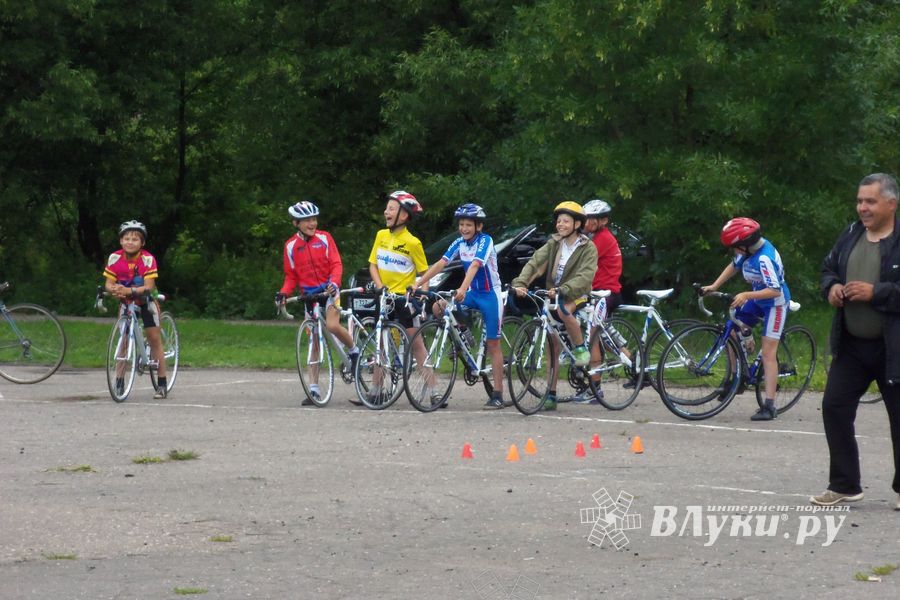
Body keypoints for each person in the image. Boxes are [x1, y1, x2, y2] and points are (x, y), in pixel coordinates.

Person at [811, 172, 900, 509]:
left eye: (870, 201)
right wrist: (832, 287)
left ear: (891, 204)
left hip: (893, 347)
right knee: (834, 407)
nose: (862, 207)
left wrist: (876, 292)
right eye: (860, 201)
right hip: (852, 345)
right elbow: (827, 269)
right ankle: (845, 484)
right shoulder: (850, 234)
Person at [416, 203, 506, 409]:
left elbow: (475, 265)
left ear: (478, 226)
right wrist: (418, 283)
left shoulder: (485, 240)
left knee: (493, 344)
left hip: (490, 295)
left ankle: (498, 394)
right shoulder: (459, 242)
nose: (464, 228)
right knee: (439, 307)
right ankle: (462, 333)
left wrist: (462, 289)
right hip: (472, 293)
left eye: (468, 225)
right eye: (461, 224)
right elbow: (441, 263)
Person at [511, 201, 598, 411]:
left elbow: (586, 275)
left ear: (577, 224)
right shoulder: (554, 243)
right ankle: (551, 395)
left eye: (566, 221)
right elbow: (535, 262)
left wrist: (565, 289)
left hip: (577, 293)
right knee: (552, 348)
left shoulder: (588, 247)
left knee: (563, 310)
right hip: (555, 292)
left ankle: (580, 348)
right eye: (559, 221)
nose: (561, 225)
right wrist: (521, 283)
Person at [702, 217, 791, 421]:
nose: (734, 251)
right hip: (758, 299)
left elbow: (774, 290)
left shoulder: (763, 258)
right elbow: (733, 266)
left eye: (735, 247)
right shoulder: (748, 251)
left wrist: (746, 295)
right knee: (731, 329)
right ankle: (738, 377)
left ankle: (769, 406)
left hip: (775, 303)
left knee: (768, 353)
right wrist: (714, 286)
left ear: (745, 244)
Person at [276, 200, 358, 406]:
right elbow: (291, 276)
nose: (312, 223)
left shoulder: (325, 238)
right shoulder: (291, 246)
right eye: (307, 220)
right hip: (310, 298)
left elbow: (336, 264)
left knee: (332, 325)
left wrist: (334, 283)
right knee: (314, 342)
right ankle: (313, 388)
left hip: (329, 293)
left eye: (313, 219)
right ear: (296, 223)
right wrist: (284, 293)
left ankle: (353, 351)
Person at [364, 190, 430, 405]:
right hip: (384, 297)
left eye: (391, 208)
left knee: (416, 343)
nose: (386, 212)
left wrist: (422, 296)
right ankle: (376, 390)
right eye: (386, 208)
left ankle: (433, 390)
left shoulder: (413, 242)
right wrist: (380, 286)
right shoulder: (381, 235)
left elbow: (424, 273)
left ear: (404, 215)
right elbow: (373, 265)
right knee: (380, 345)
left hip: (403, 299)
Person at [103, 220, 168, 399]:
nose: (130, 242)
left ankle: (162, 383)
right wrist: (114, 289)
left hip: (146, 301)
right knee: (123, 341)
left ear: (142, 243)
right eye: (126, 239)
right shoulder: (114, 258)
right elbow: (108, 283)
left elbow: (148, 286)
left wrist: (128, 290)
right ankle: (119, 382)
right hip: (126, 302)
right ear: (121, 241)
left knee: (154, 339)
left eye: (134, 239)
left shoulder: (148, 259)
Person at [572, 198, 624, 404]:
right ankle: (633, 360)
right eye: (585, 219)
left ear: (602, 221)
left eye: (591, 219)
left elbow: (579, 262)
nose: (587, 222)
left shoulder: (602, 238)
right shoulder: (594, 236)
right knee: (601, 334)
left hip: (606, 294)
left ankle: (595, 389)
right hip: (596, 293)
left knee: (593, 335)